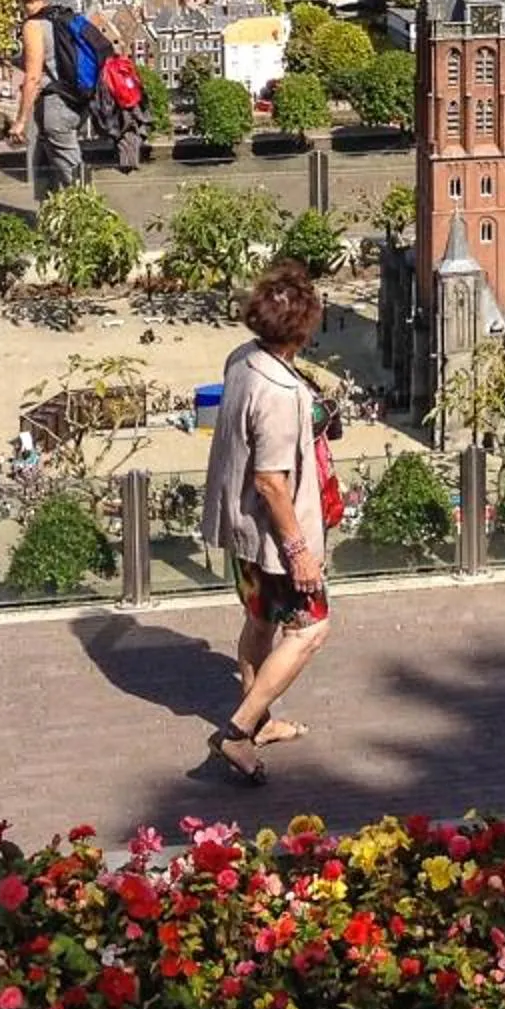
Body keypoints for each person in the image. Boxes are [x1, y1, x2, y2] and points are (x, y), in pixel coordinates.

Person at [196, 261, 336, 788]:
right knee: (312, 629)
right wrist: (300, 552)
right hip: (275, 536)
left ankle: (259, 722)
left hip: (239, 527)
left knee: (260, 621)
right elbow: (273, 481)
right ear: (304, 328)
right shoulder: (282, 391)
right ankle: (235, 732)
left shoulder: (242, 358)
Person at [8, 0, 86, 203]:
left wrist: (20, 121)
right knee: (48, 173)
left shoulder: (33, 26)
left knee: (76, 181)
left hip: (55, 109)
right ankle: (53, 226)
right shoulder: (60, 15)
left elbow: (32, 78)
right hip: (75, 103)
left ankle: (93, 227)